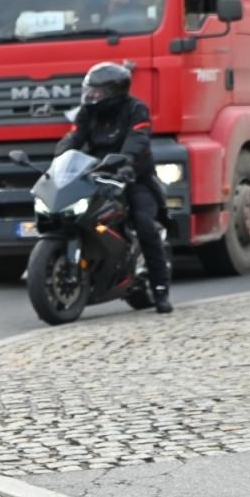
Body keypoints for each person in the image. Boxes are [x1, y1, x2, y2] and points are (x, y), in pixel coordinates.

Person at [55, 62, 172, 314]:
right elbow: (74, 137)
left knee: (144, 224)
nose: (91, 96)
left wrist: (126, 161)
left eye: (97, 92)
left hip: (133, 177)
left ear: (114, 92)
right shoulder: (87, 113)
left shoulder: (136, 109)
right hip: (96, 175)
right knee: (71, 214)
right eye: (89, 90)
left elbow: (138, 138)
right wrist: (60, 158)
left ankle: (160, 288)